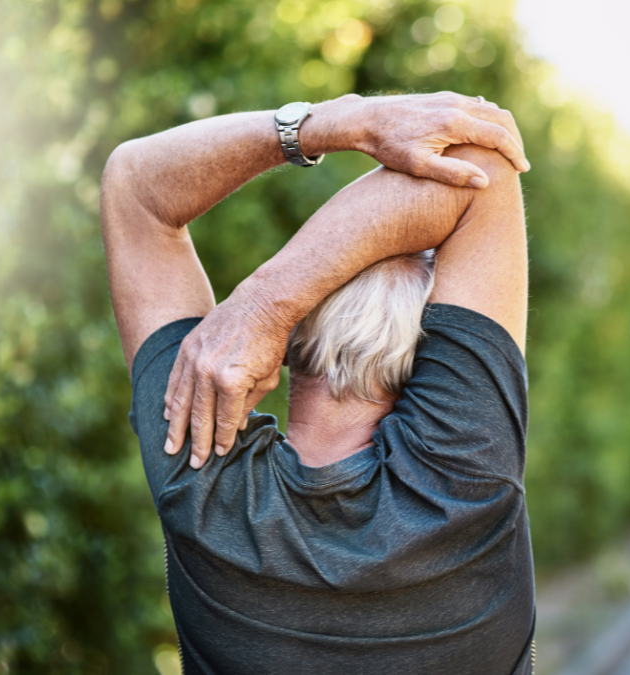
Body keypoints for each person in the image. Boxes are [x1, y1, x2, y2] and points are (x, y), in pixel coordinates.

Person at [101, 92, 535, 674]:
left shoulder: (197, 468)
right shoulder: (467, 472)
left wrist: (338, 123)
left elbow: (134, 184)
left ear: (288, 342)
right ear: (438, 360)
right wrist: (269, 302)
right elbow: (478, 166)